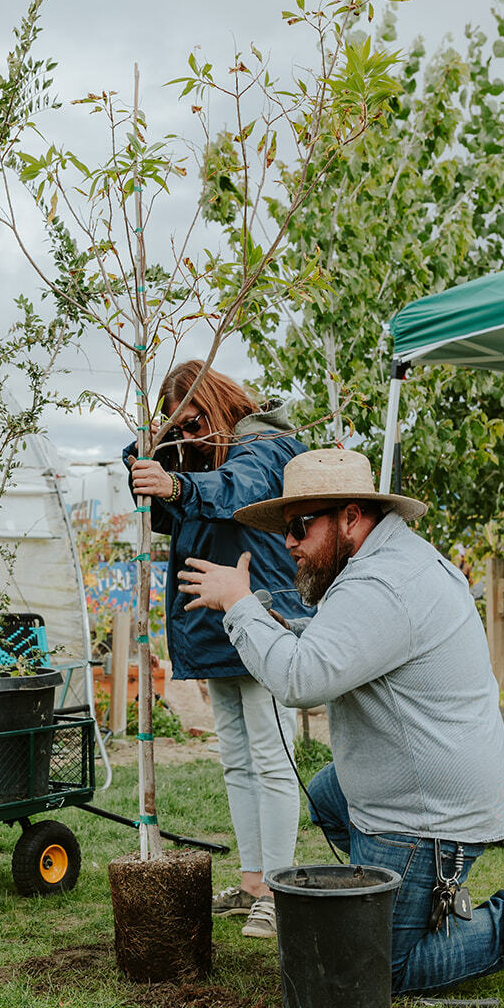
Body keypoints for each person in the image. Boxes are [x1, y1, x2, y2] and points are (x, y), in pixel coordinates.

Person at [176, 447, 504, 997]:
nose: (287, 542)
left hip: (425, 812)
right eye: (285, 530)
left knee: (382, 970)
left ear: (350, 517)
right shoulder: (384, 564)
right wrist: (271, 617)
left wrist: (241, 605)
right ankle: (419, 902)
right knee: (327, 796)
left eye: (299, 526)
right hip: (427, 784)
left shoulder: (382, 586)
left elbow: (301, 681)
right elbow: (341, 640)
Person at [124, 361, 313, 939]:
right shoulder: (199, 456)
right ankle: (254, 882)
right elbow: (163, 514)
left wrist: (179, 482)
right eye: (178, 425)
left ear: (216, 403)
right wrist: (150, 451)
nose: (187, 434)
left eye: (194, 420)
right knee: (237, 757)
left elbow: (242, 490)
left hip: (259, 612)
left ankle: (279, 891)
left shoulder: (263, 445)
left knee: (272, 758)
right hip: (213, 619)